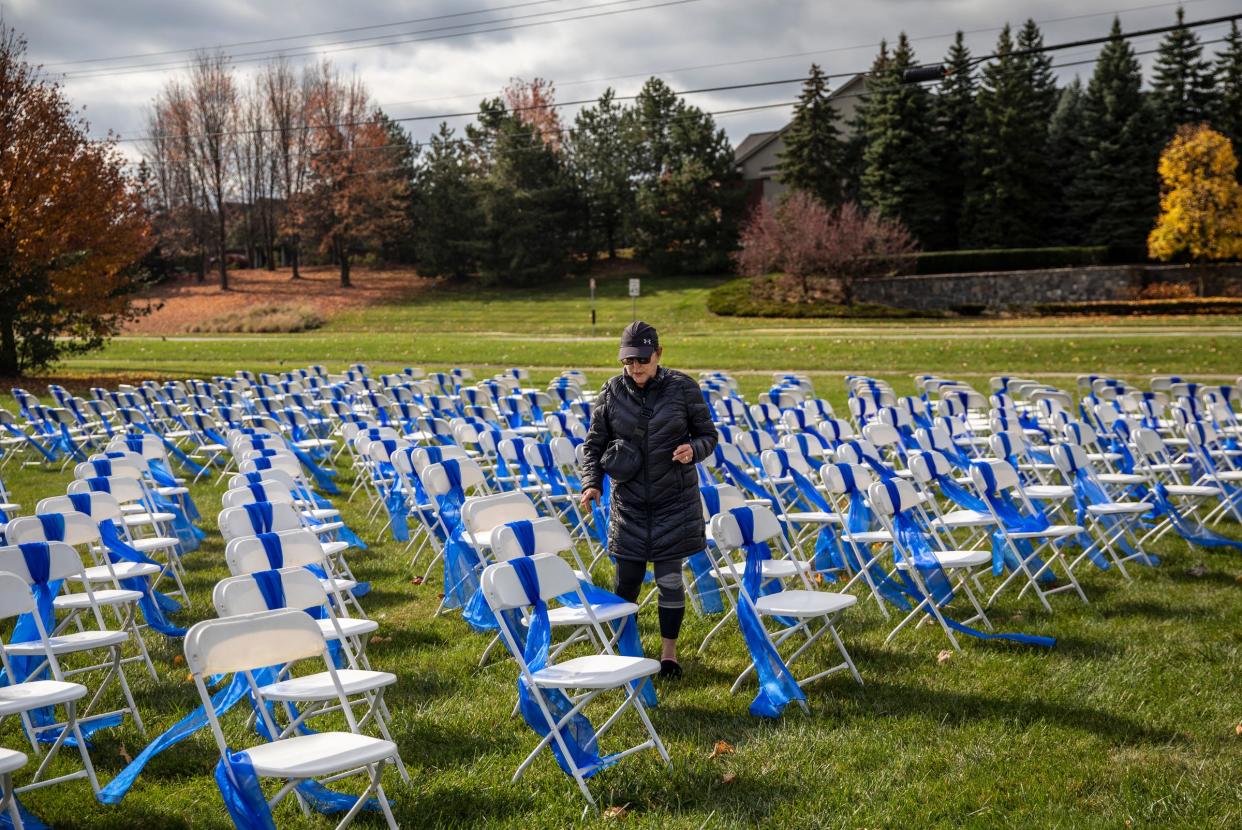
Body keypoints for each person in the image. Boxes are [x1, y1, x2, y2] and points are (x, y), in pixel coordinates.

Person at [579, 321, 718, 678]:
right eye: (628, 361)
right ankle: (626, 653)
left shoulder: (683, 388)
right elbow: (594, 445)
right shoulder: (611, 392)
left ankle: (668, 656)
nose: (635, 367)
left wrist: (694, 449)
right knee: (626, 581)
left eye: (642, 359)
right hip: (630, 504)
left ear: (659, 353)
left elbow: (708, 434)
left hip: (674, 500)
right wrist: (591, 484)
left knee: (670, 581)